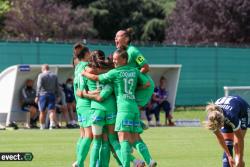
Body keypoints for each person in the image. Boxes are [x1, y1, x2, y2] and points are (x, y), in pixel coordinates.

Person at [82, 48, 153, 167]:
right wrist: (131, 88)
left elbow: (96, 79)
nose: (114, 61)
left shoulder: (116, 71)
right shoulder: (133, 69)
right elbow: (146, 82)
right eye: (113, 59)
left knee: (115, 140)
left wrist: (84, 75)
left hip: (115, 109)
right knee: (131, 139)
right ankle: (148, 160)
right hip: (131, 107)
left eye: (116, 59)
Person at [115, 28, 157, 166]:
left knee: (127, 107)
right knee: (133, 133)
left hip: (145, 86)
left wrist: (132, 77)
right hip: (138, 86)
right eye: (115, 37)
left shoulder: (132, 51)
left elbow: (145, 66)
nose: (116, 39)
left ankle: (137, 122)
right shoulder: (121, 54)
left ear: (126, 39)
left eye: (119, 36)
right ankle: (137, 123)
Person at [205, 95, 249, 167]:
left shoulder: (231, 116)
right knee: (228, 145)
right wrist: (229, 156)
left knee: (236, 145)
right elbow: (219, 137)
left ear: (222, 121)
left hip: (243, 110)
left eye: (221, 126)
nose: (222, 128)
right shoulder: (211, 119)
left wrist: (240, 159)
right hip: (225, 113)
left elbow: (240, 138)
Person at [72, 46, 93, 167]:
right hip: (86, 104)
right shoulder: (86, 67)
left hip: (79, 104)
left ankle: (78, 161)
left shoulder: (78, 67)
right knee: (89, 135)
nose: (90, 54)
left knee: (83, 135)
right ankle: (79, 163)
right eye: (89, 52)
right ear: (85, 54)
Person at [35, 64, 60, 130]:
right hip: (52, 95)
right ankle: (51, 125)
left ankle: (42, 126)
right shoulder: (54, 75)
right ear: (48, 68)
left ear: (43, 69)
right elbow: (57, 86)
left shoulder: (41, 75)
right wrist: (58, 95)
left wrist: (37, 96)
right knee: (51, 111)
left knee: (42, 111)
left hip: (43, 95)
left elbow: (39, 86)